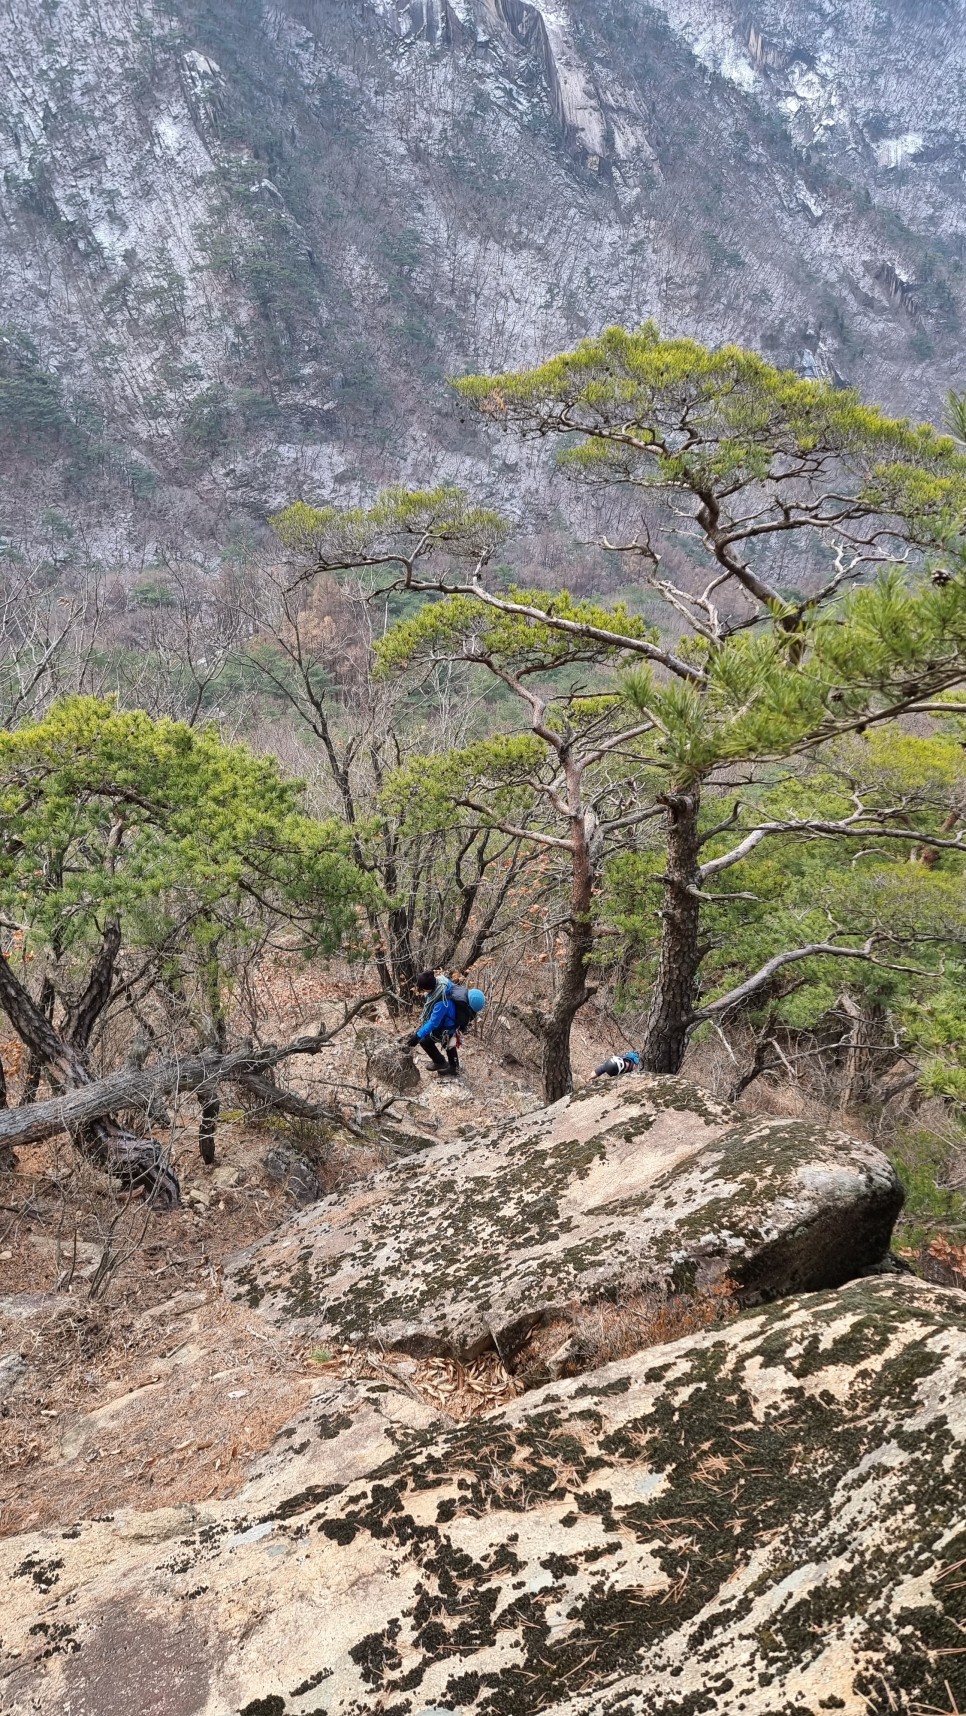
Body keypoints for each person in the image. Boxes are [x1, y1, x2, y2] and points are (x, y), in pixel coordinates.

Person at [404, 970, 461, 1076]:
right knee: (449, 1043)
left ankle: (441, 1063)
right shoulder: (443, 982)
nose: (423, 992)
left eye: (423, 989)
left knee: (425, 1041)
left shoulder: (441, 1002)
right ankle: (454, 1067)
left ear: (428, 988)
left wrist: (417, 1036)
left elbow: (433, 1023)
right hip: (451, 1018)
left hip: (448, 1024)